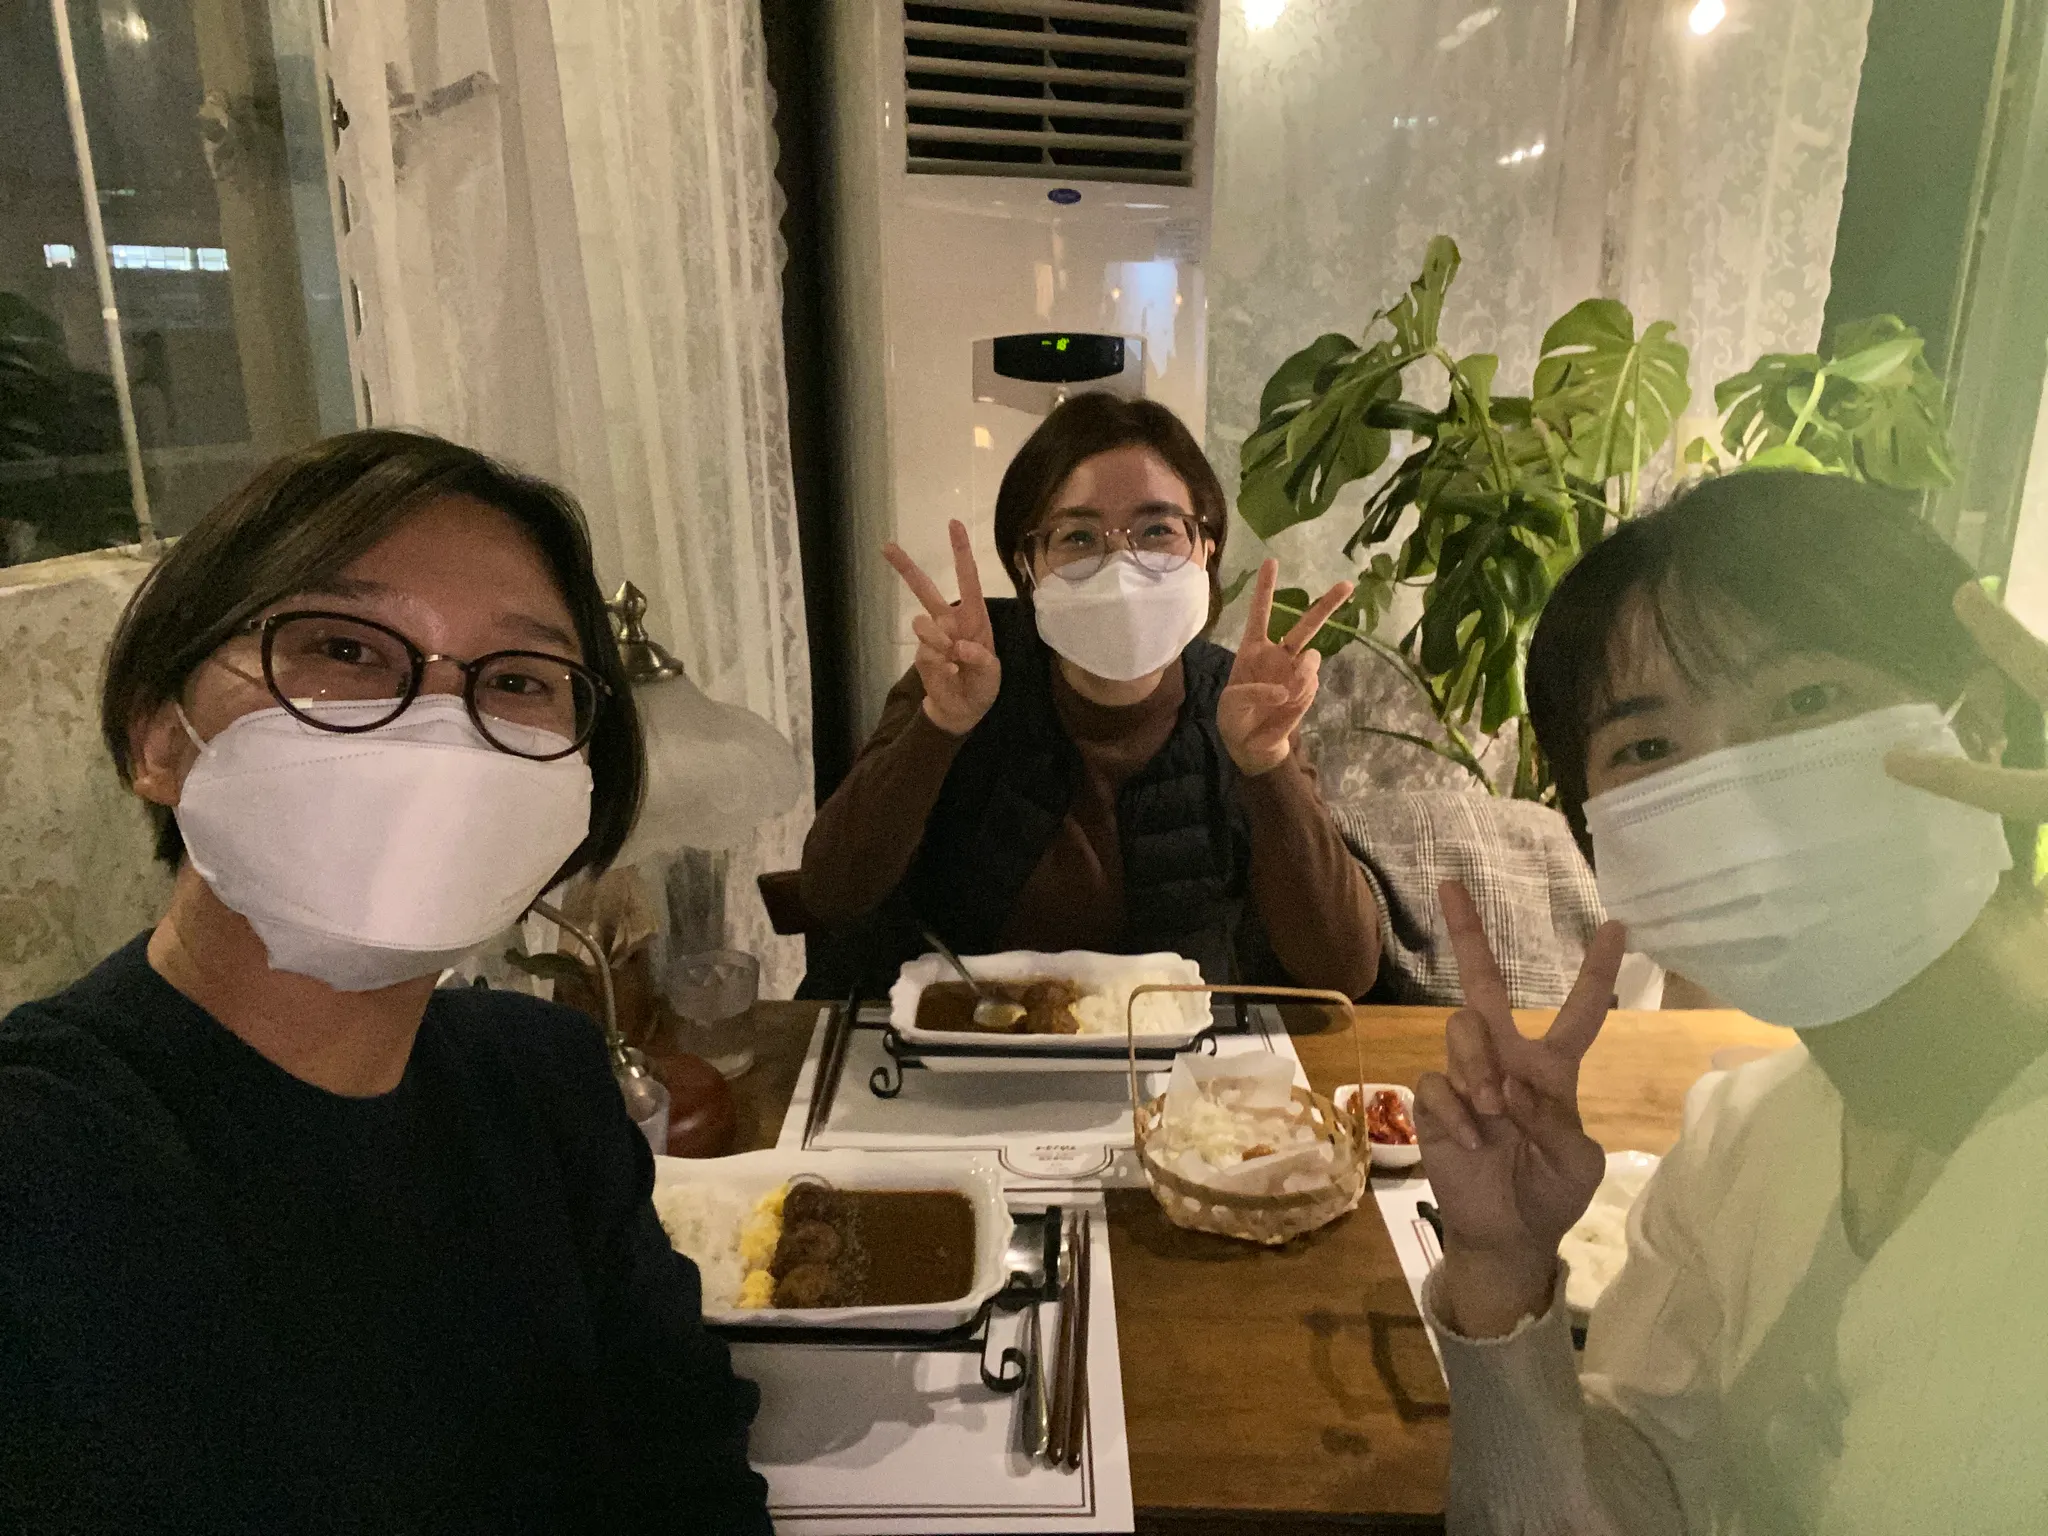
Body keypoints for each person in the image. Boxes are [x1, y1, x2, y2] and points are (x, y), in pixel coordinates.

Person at [0, 431, 771, 1533]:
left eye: (517, 679)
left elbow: (686, 1470)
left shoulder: (546, 1083)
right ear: (157, 740)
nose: (440, 725)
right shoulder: (46, 1161)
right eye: (345, 649)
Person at [1412, 471, 2048, 1534]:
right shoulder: (1736, 1143)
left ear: (1977, 725)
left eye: (1804, 701)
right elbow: (1642, 1490)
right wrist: (1499, 1272)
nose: (1740, 791)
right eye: (1646, 750)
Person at [799, 391, 1382, 997]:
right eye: (1078, 537)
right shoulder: (965, 665)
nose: (1121, 566)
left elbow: (1344, 970)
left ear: (1207, 549)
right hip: (959, 1038)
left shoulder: (1240, 701)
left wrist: (1267, 764)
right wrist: (939, 725)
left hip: (1165, 1048)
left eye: (1157, 530)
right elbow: (830, 893)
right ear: (1028, 566)